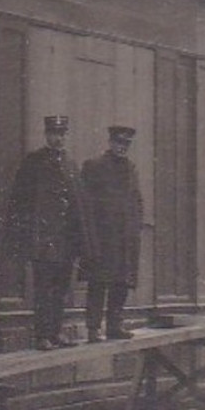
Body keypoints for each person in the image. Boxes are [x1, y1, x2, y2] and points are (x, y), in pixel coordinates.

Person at [7, 114, 84, 351]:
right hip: (42, 237)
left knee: (61, 288)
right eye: (53, 134)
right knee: (43, 288)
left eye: (62, 134)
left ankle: (56, 331)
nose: (58, 139)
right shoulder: (33, 162)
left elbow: (77, 203)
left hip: (65, 239)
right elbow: (20, 200)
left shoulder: (72, 164)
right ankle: (42, 335)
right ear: (46, 135)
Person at [78, 125, 145, 342]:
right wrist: (91, 238)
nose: (122, 147)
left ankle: (115, 326)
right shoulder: (94, 166)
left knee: (121, 283)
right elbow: (84, 204)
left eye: (126, 144)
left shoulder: (131, 169)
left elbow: (136, 200)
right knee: (98, 283)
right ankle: (93, 328)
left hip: (125, 239)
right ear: (110, 142)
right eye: (118, 142)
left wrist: (135, 228)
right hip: (103, 239)